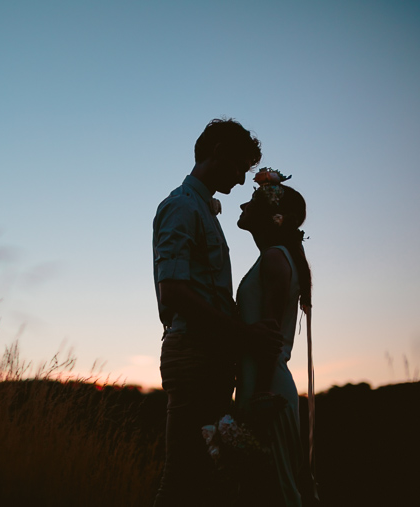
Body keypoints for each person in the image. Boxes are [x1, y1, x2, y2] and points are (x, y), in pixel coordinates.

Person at [152, 118, 281, 507]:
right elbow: (173, 292)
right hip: (192, 354)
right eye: (241, 166)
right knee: (181, 477)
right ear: (219, 152)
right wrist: (244, 335)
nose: (243, 180)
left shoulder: (202, 210)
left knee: (203, 480)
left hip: (206, 356)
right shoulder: (181, 207)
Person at [234, 168, 317, 506]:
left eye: (252, 201)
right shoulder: (274, 258)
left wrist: (263, 395)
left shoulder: (274, 258)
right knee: (261, 487)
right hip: (259, 381)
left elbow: (268, 334)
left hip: (268, 385)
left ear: (274, 217)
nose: (242, 206)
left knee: (277, 490)